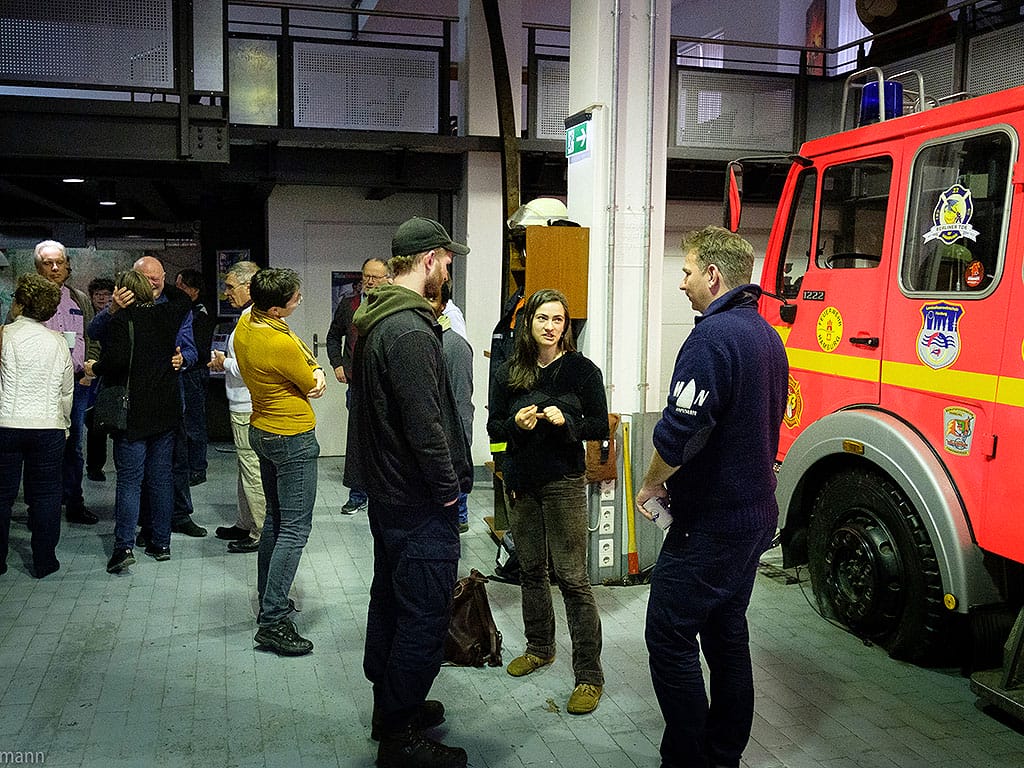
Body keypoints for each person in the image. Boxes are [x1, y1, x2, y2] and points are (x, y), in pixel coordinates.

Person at [635, 226, 788, 768]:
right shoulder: (766, 335)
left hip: (711, 524)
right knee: (726, 633)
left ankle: (687, 758)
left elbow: (680, 432)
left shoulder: (711, 338)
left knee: (668, 634)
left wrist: (652, 482)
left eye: (687, 271)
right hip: (753, 515)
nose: (682, 283)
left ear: (714, 275)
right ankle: (723, 755)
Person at [345, 216, 471, 768]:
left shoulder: (376, 318)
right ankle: (399, 740)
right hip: (419, 502)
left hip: (390, 495)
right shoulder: (411, 330)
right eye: (447, 259)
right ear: (428, 260)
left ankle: (391, 709)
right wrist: (449, 492)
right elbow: (426, 425)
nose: (449, 268)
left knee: (392, 604)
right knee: (423, 618)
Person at [487, 288, 609, 716]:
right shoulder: (509, 371)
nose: (550, 326)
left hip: (564, 483)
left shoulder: (582, 371)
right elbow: (493, 426)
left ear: (566, 326)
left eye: (558, 320)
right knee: (531, 570)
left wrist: (568, 420)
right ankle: (540, 647)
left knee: (573, 578)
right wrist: (514, 426)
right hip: (522, 482)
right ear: (529, 323)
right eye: (543, 318)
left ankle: (589, 675)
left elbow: (600, 425)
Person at [233, 268, 326, 656]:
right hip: (291, 438)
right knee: (295, 529)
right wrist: (316, 372)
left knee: (275, 519)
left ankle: (268, 598)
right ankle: (272, 621)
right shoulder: (278, 342)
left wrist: (311, 366)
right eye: (295, 298)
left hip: (263, 430)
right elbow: (313, 383)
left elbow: (303, 356)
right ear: (276, 308)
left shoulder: (247, 326)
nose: (299, 301)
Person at [89, 255, 207, 538]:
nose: (153, 283)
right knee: (147, 474)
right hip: (134, 403)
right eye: (146, 278)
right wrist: (112, 308)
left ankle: (169, 520)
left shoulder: (173, 309)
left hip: (167, 399)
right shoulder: (122, 310)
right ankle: (153, 530)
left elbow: (191, 349)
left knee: (167, 468)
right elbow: (94, 331)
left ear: (165, 278)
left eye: (157, 278)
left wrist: (184, 360)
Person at [0, 274, 73, 578]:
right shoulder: (58, 342)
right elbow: (66, 391)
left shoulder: (4, 335)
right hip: (48, 428)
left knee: (2, 495)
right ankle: (44, 561)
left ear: (19, 303)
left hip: (6, 424)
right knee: (46, 494)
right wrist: (64, 424)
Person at [34, 240, 100, 525]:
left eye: (59, 262)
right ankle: (40, 507)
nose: (55, 268)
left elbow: (92, 335)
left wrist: (89, 369)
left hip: (75, 381)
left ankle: (75, 502)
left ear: (67, 265)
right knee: (41, 444)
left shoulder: (78, 298)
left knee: (74, 445)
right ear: (38, 267)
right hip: (41, 383)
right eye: (48, 263)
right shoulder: (29, 299)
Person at [208, 261, 267, 554]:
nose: (226, 292)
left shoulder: (252, 320)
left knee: (252, 470)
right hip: (242, 403)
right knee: (245, 468)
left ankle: (260, 531)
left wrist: (224, 363)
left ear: (249, 287)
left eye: (231, 287)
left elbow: (253, 366)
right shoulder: (248, 316)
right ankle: (245, 523)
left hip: (247, 405)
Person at [326, 256, 390, 515]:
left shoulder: (392, 307)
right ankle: (358, 495)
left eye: (376, 277)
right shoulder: (349, 305)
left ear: (388, 279)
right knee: (358, 441)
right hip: (357, 386)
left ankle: (384, 495)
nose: (370, 281)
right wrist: (337, 364)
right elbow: (333, 337)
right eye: (366, 276)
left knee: (385, 441)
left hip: (385, 387)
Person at [427, 280, 474, 533]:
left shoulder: (454, 346)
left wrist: (462, 447)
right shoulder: (419, 339)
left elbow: (462, 403)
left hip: (448, 445)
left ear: (443, 305)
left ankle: (460, 516)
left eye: (431, 299)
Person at [175, 268, 216, 486]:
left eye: (182, 286)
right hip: (182, 371)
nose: (178, 289)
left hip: (194, 372)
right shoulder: (181, 308)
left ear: (194, 290)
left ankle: (198, 468)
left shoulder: (200, 313)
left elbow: (199, 348)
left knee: (194, 422)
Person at [84, 277, 115, 482]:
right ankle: (93, 466)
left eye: (106, 295)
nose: (102, 298)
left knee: (100, 422)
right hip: (87, 372)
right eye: (98, 295)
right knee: (91, 421)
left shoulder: (117, 317)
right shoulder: (87, 316)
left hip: (107, 373)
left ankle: (97, 465)